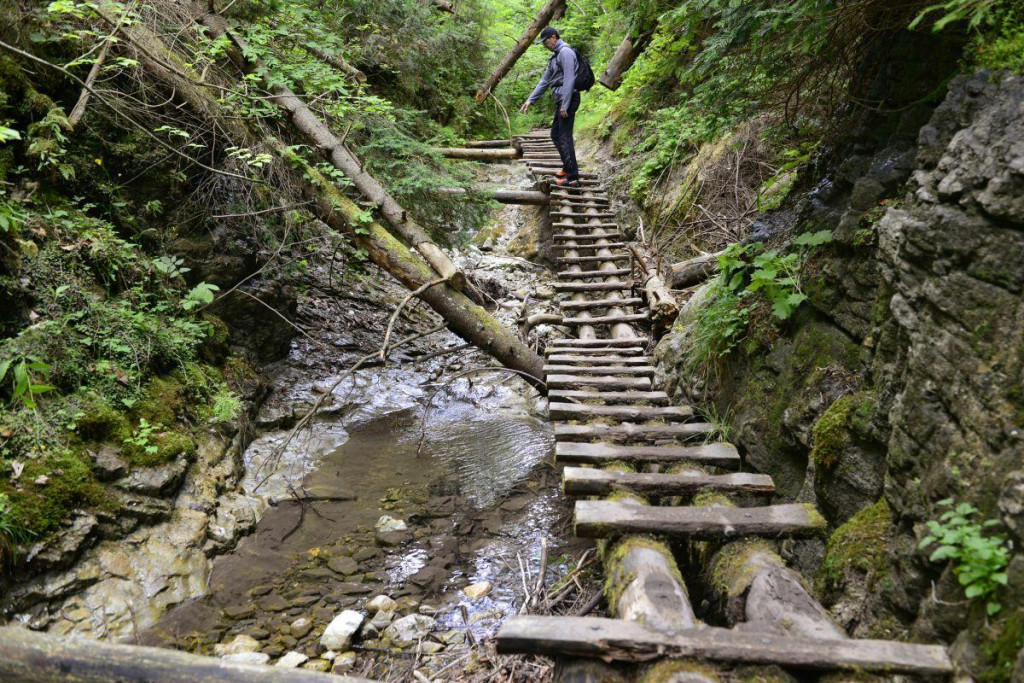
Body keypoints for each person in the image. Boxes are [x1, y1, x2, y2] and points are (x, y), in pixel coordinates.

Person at [519, 26, 581, 187]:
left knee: (564, 137)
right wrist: (530, 100)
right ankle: (568, 166)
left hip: (568, 99)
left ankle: (573, 177)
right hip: (561, 99)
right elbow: (545, 81)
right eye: (544, 42)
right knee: (555, 135)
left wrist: (565, 105)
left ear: (554, 37)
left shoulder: (565, 53)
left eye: (546, 41)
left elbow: (569, 79)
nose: (545, 45)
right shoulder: (555, 57)